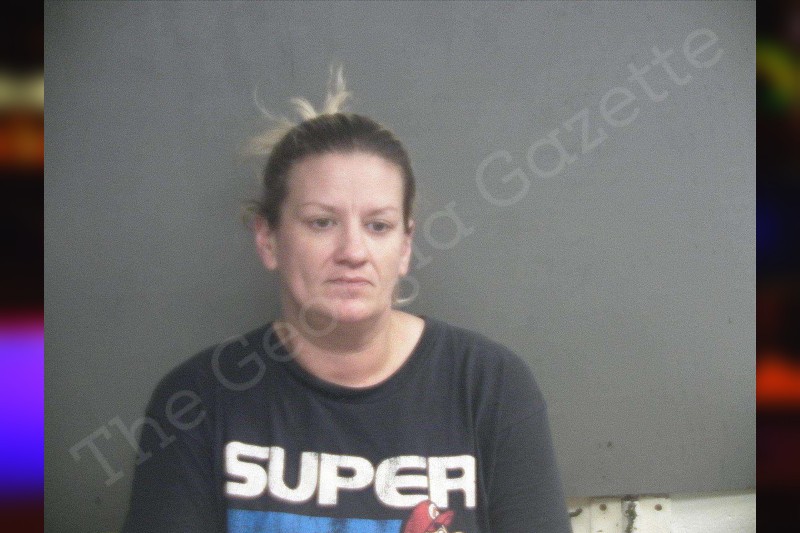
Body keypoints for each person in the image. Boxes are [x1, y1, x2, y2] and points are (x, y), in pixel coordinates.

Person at [121, 69, 571, 533]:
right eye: (322, 222)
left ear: (405, 246)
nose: (353, 252)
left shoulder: (490, 387)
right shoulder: (197, 401)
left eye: (378, 226)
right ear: (268, 238)